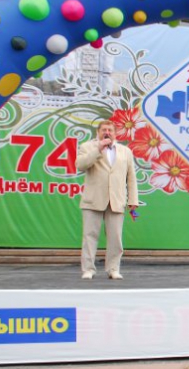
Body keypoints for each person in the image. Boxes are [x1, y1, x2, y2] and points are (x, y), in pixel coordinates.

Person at [76, 120, 139, 280]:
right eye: (104, 130)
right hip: (93, 199)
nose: (107, 133)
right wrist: (98, 149)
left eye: (110, 130)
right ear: (98, 132)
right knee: (90, 236)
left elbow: (131, 177)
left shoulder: (125, 151)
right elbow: (80, 165)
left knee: (115, 238)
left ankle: (113, 269)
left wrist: (133, 200)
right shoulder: (87, 147)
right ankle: (88, 269)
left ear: (115, 133)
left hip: (116, 199)